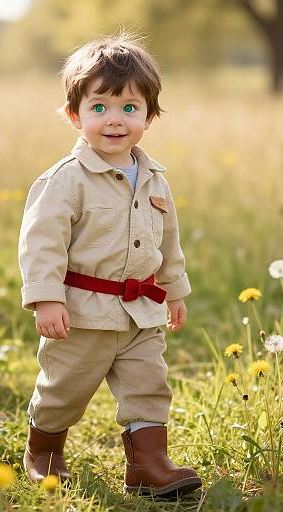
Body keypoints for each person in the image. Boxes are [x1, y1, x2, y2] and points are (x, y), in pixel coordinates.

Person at [18, 32, 202, 498]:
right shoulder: (64, 182)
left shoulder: (156, 179)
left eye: (129, 108)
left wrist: (175, 289)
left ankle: (148, 464)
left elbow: (169, 241)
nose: (114, 120)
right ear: (74, 115)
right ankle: (44, 452)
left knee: (148, 385)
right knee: (64, 388)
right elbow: (41, 244)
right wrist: (45, 299)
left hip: (141, 312)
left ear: (149, 115)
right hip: (82, 314)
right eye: (98, 108)